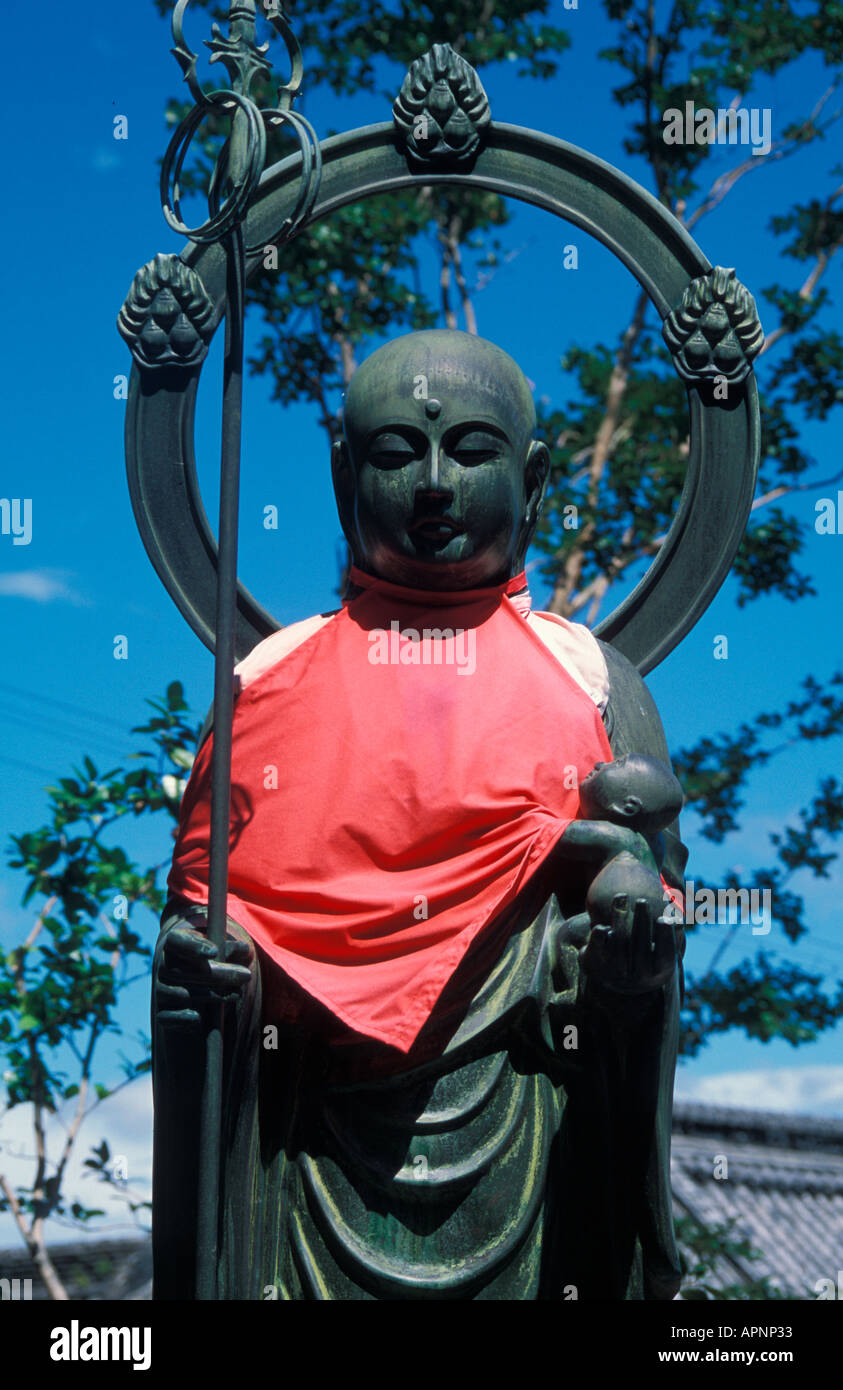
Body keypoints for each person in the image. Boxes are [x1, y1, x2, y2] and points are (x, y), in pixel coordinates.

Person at [152, 329, 688, 1300]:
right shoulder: (268, 683)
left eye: (472, 451)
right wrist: (202, 972)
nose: (435, 483)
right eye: (397, 454)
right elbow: (203, 919)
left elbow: (639, 954)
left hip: (530, 1139)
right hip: (309, 1153)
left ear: (533, 477)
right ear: (341, 475)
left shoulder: (596, 683)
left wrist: (628, 957)